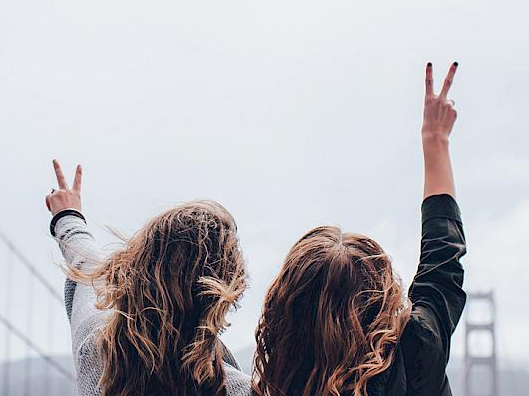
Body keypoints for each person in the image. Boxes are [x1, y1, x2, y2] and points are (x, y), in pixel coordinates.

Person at [251, 62, 467, 396]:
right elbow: (443, 262)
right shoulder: (418, 351)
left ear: (285, 310)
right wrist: (435, 141)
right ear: (381, 296)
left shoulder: (281, 378)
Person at [45, 160, 252, 396]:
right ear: (227, 291)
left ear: (135, 266)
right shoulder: (243, 390)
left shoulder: (95, 349)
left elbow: (86, 264)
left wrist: (67, 215)